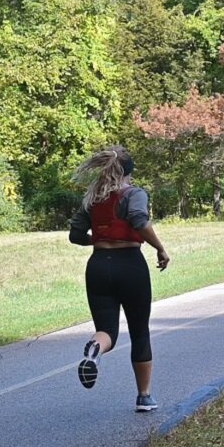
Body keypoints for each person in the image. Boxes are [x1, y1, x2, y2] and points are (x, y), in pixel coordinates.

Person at [69, 145, 170, 412]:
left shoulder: (92, 199)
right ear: (129, 172)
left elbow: (76, 235)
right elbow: (139, 220)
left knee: (107, 330)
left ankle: (94, 350)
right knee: (139, 332)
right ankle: (144, 397)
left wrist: (100, 239)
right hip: (130, 266)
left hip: (99, 266)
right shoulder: (134, 194)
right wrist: (160, 248)